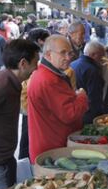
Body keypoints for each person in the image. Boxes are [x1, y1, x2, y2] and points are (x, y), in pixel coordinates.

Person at [27, 35, 88, 163]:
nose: (68, 57)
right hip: (53, 151)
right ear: (48, 55)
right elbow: (70, 114)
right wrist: (82, 97)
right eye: (63, 53)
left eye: (70, 53)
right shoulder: (49, 80)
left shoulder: (48, 74)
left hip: (53, 147)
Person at [0, 39, 39, 189]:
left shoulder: (12, 82)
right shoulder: (2, 84)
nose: (37, 68)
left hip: (6, 159)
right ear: (23, 64)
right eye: (35, 62)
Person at [19, 28, 50, 159]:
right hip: (28, 107)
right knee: (27, 139)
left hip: (28, 106)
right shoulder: (30, 57)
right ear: (40, 41)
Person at [70, 41, 106, 124]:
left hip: (75, 110)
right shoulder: (92, 70)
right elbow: (95, 97)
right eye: (101, 56)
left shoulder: (72, 64)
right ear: (94, 54)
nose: (102, 59)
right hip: (89, 114)